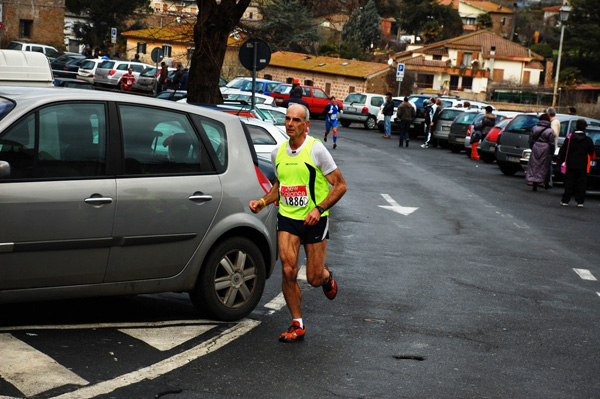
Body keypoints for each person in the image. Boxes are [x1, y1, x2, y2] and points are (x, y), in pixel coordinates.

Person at [248, 103, 347, 343]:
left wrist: (319, 208)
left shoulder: (316, 150)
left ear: (306, 125)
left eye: (296, 120)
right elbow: (280, 187)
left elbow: (340, 185)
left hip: (314, 219)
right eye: (288, 119)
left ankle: (326, 277)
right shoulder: (278, 153)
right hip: (289, 219)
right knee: (289, 269)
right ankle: (297, 323)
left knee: (313, 278)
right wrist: (263, 201)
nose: (290, 124)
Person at [558, 119, 595, 207]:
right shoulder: (587, 140)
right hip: (582, 164)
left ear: (576, 126)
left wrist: (561, 161)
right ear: (585, 128)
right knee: (581, 183)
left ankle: (565, 200)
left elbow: (564, 150)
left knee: (569, 182)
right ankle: (580, 201)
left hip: (570, 163)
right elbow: (591, 151)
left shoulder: (570, 138)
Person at [525, 113, 555, 190]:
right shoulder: (550, 130)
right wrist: (552, 152)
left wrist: (532, 147)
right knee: (544, 165)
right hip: (546, 148)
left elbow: (530, 140)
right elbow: (552, 143)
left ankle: (534, 182)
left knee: (534, 164)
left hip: (536, 146)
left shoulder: (534, 128)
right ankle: (543, 181)